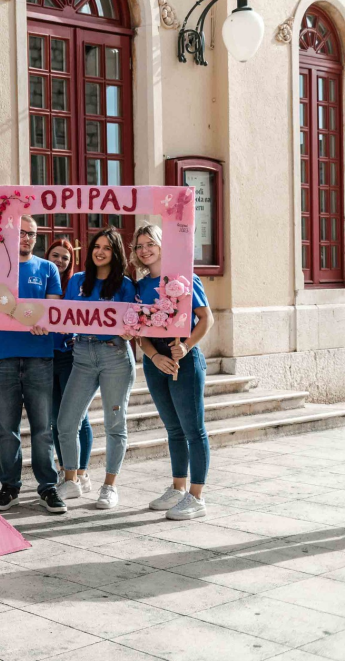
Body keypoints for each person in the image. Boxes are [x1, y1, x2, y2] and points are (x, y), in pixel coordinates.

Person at [0, 216, 66, 513]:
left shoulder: (48, 268)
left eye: (33, 234)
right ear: (10, 235)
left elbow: (52, 312)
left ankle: (48, 487)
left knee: (43, 428)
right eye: (22, 233)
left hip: (39, 357)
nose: (27, 238)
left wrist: (45, 323)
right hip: (3, 356)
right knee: (7, 429)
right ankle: (10, 487)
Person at [132, 223, 215, 520]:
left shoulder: (184, 278)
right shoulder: (139, 285)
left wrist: (188, 346)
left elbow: (206, 318)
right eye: (140, 245)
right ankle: (178, 487)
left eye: (150, 243)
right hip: (157, 364)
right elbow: (139, 331)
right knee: (173, 429)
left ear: (162, 245)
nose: (145, 250)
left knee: (194, 429)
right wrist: (153, 357)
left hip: (185, 362)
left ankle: (196, 496)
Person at [55, 227, 136, 509]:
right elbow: (62, 318)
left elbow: (135, 322)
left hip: (114, 355)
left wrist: (130, 331)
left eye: (107, 247)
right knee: (66, 422)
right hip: (82, 355)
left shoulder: (125, 285)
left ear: (116, 253)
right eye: (96, 246)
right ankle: (70, 480)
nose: (100, 251)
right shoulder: (77, 281)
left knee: (115, 424)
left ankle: (109, 487)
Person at [47, 239, 94, 494]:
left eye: (65, 257)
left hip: (70, 356)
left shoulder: (75, 284)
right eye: (56, 255)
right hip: (45, 356)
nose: (60, 261)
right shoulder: (43, 279)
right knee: (57, 418)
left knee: (78, 416)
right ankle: (67, 471)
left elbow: (83, 313)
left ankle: (82, 471)